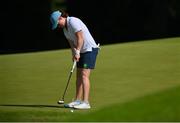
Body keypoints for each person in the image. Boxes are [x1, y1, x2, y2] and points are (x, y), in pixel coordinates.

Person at [50, 10, 99, 109]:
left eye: (57, 23)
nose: (58, 26)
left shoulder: (73, 21)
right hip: (81, 50)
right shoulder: (65, 29)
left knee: (84, 75)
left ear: (61, 18)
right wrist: (74, 53)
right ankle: (77, 100)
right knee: (78, 76)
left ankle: (86, 102)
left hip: (89, 49)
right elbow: (72, 43)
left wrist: (77, 52)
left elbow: (80, 38)